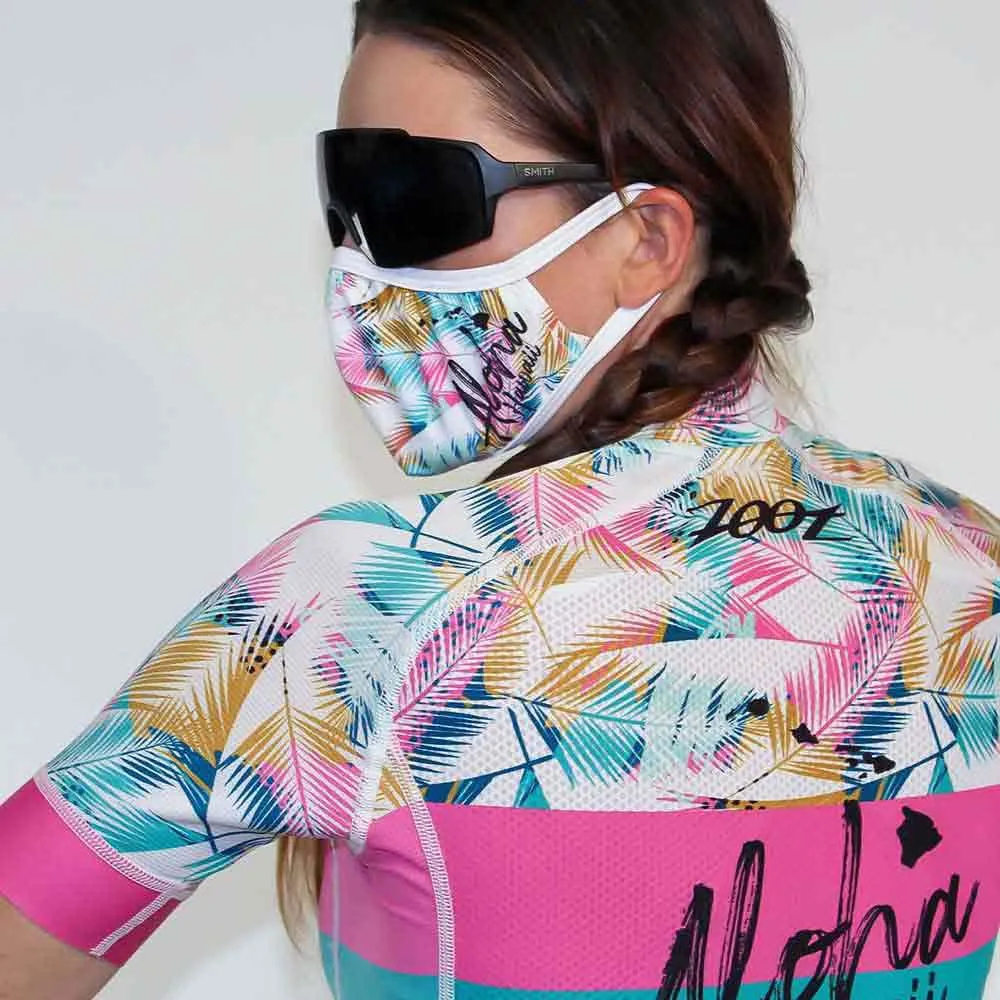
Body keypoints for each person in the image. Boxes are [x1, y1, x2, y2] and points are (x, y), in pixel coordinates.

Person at [2, 1, 999, 997]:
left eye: (411, 195)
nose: (358, 265)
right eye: (344, 196)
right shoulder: (973, 568)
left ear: (647, 239)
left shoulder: (373, 605)